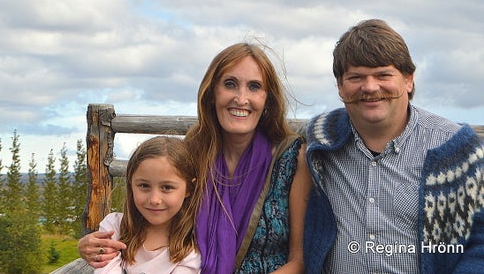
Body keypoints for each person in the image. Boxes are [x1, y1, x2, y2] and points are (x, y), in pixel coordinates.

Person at [80, 43, 310, 274]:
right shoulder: (189, 156)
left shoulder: (289, 158)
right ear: (211, 93)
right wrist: (91, 245)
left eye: (254, 87)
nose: (241, 99)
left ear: (268, 99)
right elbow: (149, 222)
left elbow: (299, 261)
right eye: (230, 84)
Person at [304, 19, 484, 274]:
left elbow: (481, 241)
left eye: (383, 75)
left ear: (408, 80)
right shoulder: (319, 140)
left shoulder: (455, 148)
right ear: (340, 87)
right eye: (356, 77)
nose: (369, 87)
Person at [93, 136, 201, 274]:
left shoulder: (192, 246)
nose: (154, 199)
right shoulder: (114, 227)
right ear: (131, 184)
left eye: (167, 187)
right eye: (144, 186)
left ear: (189, 188)